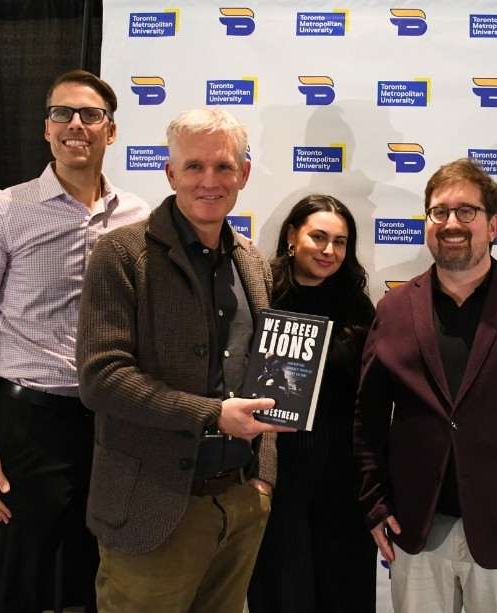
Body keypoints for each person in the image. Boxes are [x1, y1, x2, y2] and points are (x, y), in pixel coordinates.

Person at [75, 108, 294, 612]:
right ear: (170, 173)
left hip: (240, 505)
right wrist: (212, 414)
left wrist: (262, 480)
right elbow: (101, 378)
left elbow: (263, 374)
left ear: (244, 173)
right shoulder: (120, 254)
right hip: (151, 510)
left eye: (223, 166)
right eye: (194, 166)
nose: (209, 181)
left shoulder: (253, 263)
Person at [0, 69, 149, 612]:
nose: (75, 124)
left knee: (103, 578)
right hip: (30, 425)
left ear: (111, 131)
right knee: (21, 581)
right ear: (46, 129)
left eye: (91, 114)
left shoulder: (141, 217)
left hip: (113, 425)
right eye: (62, 113)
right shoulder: (2, 211)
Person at [353, 158, 497, 613]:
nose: (451, 223)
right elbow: (368, 418)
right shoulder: (394, 309)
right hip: (416, 529)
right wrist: (374, 503)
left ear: (494, 225)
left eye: (466, 212)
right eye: (439, 212)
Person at [248, 195, 377, 613]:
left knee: (345, 593)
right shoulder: (259, 295)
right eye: (318, 237)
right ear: (291, 236)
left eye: (340, 242)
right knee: (283, 595)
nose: (329, 251)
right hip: (277, 475)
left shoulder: (357, 305)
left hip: (343, 479)